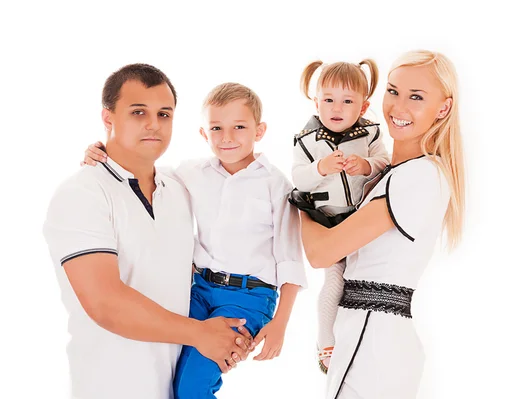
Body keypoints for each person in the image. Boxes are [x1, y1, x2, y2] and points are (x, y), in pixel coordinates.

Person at [81, 82, 308, 399]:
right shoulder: (192, 173)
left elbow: (290, 258)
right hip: (198, 291)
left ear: (260, 130)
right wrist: (103, 154)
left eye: (239, 127)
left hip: (248, 298)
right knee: (162, 368)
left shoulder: (275, 184)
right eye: (216, 128)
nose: (226, 137)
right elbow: (142, 173)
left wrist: (281, 324)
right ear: (204, 134)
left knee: (193, 385)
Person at [43, 64, 253, 399]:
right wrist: (201, 334)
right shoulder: (82, 193)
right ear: (108, 118)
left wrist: (229, 336)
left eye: (164, 114)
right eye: (138, 112)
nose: (154, 124)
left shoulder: (181, 187)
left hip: (174, 386)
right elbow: (105, 302)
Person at [297, 50, 465, 399]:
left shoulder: (418, 175)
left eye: (416, 97)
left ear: (443, 109)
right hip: (369, 335)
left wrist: (301, 198)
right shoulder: (392, 174)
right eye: (393, 91)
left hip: (374, 339)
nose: (398, 106)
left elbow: (321, 252)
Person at [290, 59, 390, 373]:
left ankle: (364, 340)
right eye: (329, 100)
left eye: (348, 101)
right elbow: (299, 179)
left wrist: (366, 165)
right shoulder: (307, 141)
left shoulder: (370, 134)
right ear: (316, 102)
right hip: (328, 218)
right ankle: (325, 341)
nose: (337, 107)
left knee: (361, 279)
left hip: (361, 216)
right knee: (333, 280)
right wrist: (320, 169)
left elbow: (384, 161)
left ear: (363, 106)